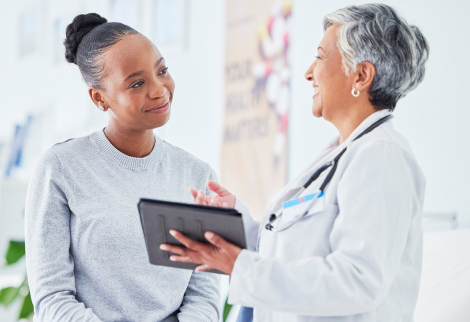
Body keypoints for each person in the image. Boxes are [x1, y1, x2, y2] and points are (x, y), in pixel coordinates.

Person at [161, 4, 429, 321]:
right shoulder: (341, 156)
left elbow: (357, 280)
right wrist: (236, 224)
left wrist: (240, 266)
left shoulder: (382, 156)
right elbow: (291, 252)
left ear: (361, 75)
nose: (308, 72)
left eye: (320, 56)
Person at [25, 13, 220, 322]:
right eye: (137, 83)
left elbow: (205, 295)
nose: (158, 89)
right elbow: (52, 297)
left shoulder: (198, 175)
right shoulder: (60, 168)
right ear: (99, 98)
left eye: (162, 70)